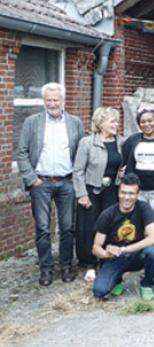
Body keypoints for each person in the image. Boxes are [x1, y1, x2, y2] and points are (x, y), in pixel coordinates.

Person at [16, 82, 84, 286]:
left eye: (56, 99)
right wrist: (31, 179)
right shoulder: (32, 122)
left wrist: (76, 178)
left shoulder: (75, 122)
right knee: (43, 228)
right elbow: (22, 153)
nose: (52, 103)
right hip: (41, 183)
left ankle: (65, 266)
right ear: (43, 101)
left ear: (63, 100)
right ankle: (46, 269)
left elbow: (81, 151)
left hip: (66, 182)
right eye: (48, 100)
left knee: (67, 227)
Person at [73, 107, 124, 283]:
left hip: (112, 190)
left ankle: (106, 260)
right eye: (112, 122)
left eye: (117, 121)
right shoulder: (87, 143)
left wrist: (122, 174)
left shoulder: (120, 142)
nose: (116, 125)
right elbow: (78, 171)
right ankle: (89, 264)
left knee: (109, 226)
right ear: (101, 123)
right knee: (89, 228)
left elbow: (122, 165)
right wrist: (81, 194)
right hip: (91, 191)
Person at [92, 173, 154, 300]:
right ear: (118, 192)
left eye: (131, 193)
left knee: (153, 252)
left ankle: (147, 284)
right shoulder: (107, 214)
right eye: (123, 192)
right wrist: (108, 253)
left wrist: (123, 250)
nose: (126, 197)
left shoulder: (144, 208)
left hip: (136, 256)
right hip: (115, 258)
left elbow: (152, 239)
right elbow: (96, 247)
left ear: (138, 194)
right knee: (99, 291)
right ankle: (117, 280)